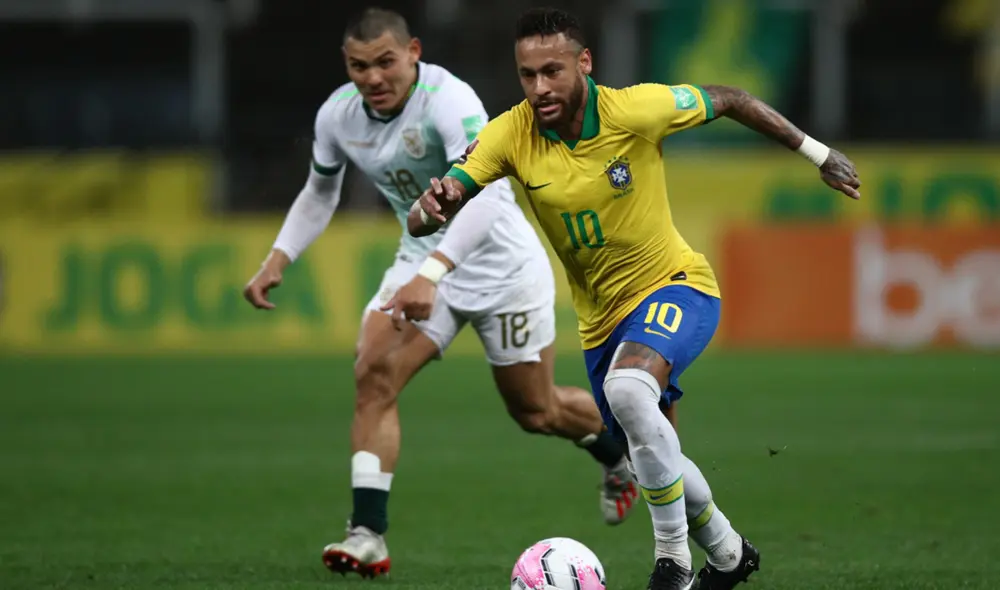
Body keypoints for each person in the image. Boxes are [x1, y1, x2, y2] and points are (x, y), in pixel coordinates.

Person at [409, 7, 861, 590]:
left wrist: (818, 154)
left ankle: (670, 564)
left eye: (553, 70)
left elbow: (730, 97)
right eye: (528, 74)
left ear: (584, 63)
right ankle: (728, 553)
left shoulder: (634, 109)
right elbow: (433, 211)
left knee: (628, 392)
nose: (540, 87)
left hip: (677, 286)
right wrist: (432, 206)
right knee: (657, 448)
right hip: (600, 327)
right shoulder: (510, 134)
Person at [241, 7, 640, 579]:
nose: (374, 78)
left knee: (536, 410)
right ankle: (367, 534)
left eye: (385, 62)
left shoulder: (449, 101)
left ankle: (616, 454)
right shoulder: (338, 115)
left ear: (413, 53)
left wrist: (433, 273)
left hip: (500, 264)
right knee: (373, 372)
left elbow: (490, 195)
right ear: (346, 66)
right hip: (422, 263)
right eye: (359, 66)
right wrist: (276, 259)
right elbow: (319, 192)